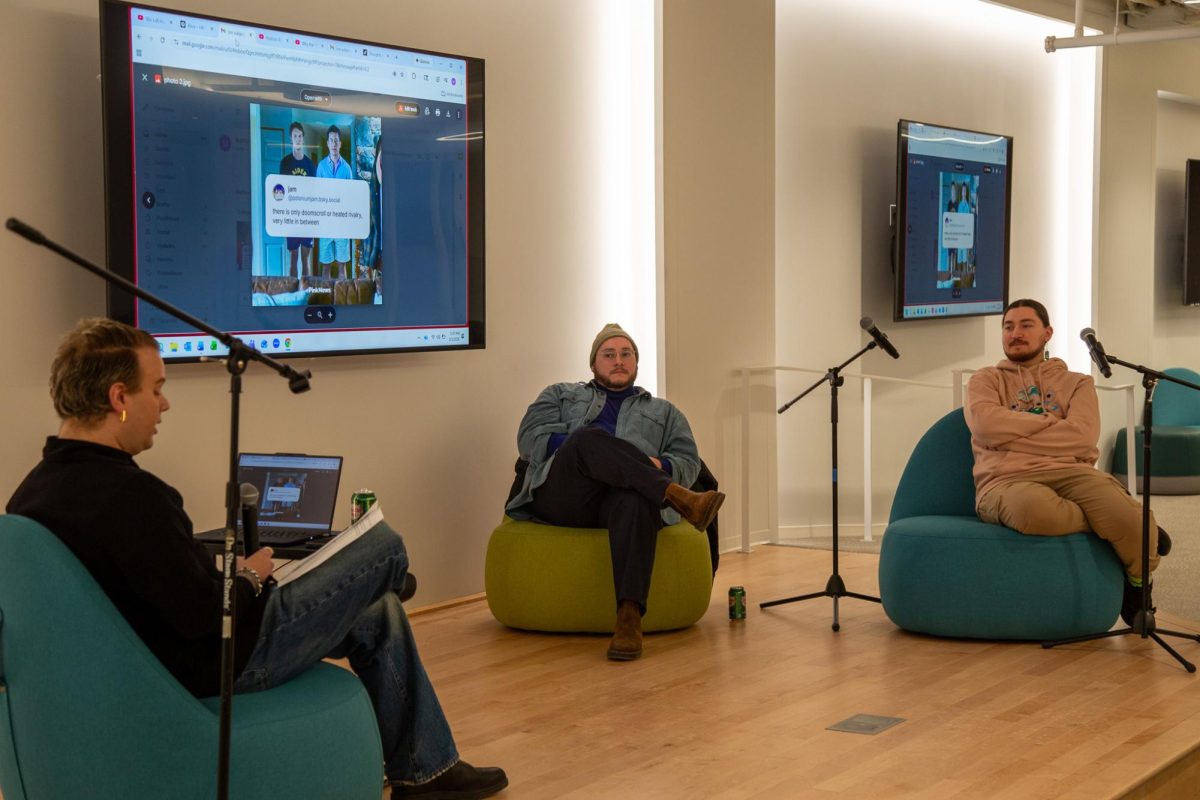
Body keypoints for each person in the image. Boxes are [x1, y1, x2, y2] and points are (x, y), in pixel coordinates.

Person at [6, 319, 507, 800]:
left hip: (149, 665)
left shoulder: (31, 495)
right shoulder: (132, 496)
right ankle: (397, 586)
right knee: (383, 547)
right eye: (155, 388)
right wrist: (249, 576)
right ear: (118, 397)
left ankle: (424, 772)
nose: (164, 403)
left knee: (378, 612)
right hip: (222, 661)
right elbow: (205, 616)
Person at [505, 323, 725, 661]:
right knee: (585, 439)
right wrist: (591, 453)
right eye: (609, 354)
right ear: (593, 364)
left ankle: (629, 618)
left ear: (636, 363)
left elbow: (688, 461)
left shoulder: (665, 413)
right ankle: (680, 498)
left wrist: (660, 466)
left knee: (636, 496)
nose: (618, 360)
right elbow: (530, 439)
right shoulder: (560, 394)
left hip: (619, 505)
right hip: (566, 496)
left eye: (626, 354)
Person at [964, 299, 1172, 626]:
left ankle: (1137, 586)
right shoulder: (985, 380)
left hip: (1073, 474)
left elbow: (1082, 438)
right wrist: (1052, 423)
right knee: (1038, 512)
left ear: (1047, 333)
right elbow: (985, 426)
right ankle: (1125, 526)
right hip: (1004, 480)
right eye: (1008, 326)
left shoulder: (1078, 382)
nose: (1015, 333)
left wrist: (1015, 432)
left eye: (1025, 325)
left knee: (1129, 519)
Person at [316, 124, 354, 280]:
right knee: (325, 268)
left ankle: (342, 301)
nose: (333, 143)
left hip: (342, 226)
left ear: (340, 144)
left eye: (336, 140)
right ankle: (326, 298)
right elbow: (317, 194)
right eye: (331, 140)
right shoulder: (321, 167)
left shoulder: (347, 169)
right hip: (325, 225)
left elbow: (351, 196)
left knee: (341, 267)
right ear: (327, 143)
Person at [279, 121, 316, 278]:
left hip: (307, 217)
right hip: (292, 217)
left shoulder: (309, 164)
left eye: (300, 136)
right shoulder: (285, 163)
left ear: (303, 138)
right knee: (293, 259)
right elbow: (280, 191)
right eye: (295, 136)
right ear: (291, 138)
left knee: (305, 260)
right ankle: (293, 296)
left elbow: (316, 191)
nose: (298, 139)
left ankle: (306, 296)